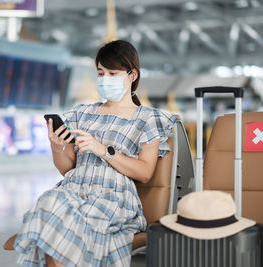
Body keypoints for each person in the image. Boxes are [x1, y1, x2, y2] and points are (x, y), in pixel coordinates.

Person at [13, 40, 177, 267]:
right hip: (73, 191)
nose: (105, 78)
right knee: (50, 203)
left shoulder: (148, 119)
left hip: (112, 197)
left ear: (132, 75)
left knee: (62, 230)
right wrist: (56, 145)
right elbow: (67, 169)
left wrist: (103, 150)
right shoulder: (82, 113)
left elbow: (145, 172)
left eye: (112, 72)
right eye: (101, 72)